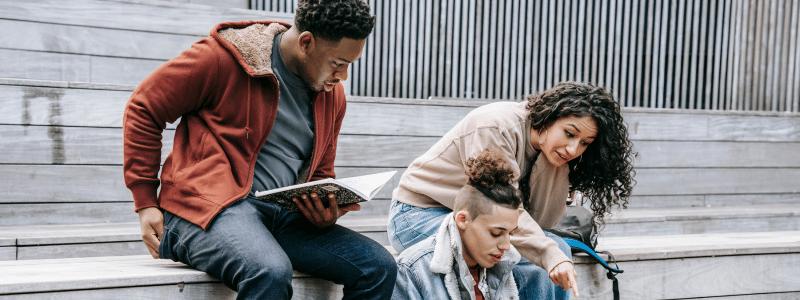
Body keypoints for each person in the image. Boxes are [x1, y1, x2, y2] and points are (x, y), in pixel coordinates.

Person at [122, 1, 397, 299]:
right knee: (269, 271)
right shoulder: (222, 58)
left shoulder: (332, 96)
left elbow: (320, 170)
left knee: (378, 266)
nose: (342, 76)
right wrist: (146, 201)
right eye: (337, 63)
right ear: (306, 42)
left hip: (283, 217)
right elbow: (143, 108)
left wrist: (323, 211)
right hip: (206, 210)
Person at [388, 81, 636, 299]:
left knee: (554, 249)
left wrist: (555, 168)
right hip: (419, 213)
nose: (573, 149)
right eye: (569, 133)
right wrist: (548, 254)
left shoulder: (555, 154)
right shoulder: (495, 126)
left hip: (482, 219)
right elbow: (498, 209)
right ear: (549, 116)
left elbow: (541, 221)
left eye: (584, 143)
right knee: (531, 253)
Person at [393, 149, 524, 300]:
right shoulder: (413, 270)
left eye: (511, 233)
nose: (506, 246)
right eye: (496, 233)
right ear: (462, 220)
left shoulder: (506, 264)